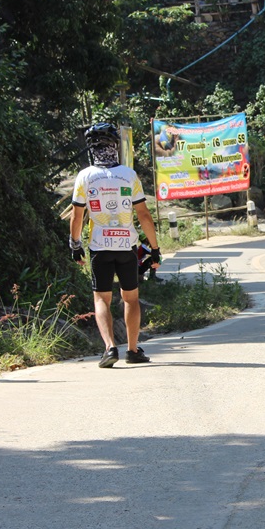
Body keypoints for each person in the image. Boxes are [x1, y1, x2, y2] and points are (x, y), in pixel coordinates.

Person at [70, 122, 161, 368]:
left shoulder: (84, 176)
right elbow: (144, 215)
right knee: (130, 298)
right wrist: (154, 249)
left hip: (99, 247)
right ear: (115, 146)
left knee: (102, 298)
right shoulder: (129, 175)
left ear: (91, 148)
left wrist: (75, 245)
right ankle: (132, 350)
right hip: (126, 246)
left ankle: (110, 348)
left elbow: (77, 216)